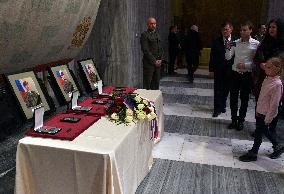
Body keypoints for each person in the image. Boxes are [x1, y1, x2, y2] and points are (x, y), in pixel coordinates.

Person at [239, 57, 284, 162]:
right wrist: (257, 110)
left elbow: (274, 105)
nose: (265, 69)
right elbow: (262, 96)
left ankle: (254, 152)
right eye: (265, 66)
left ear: (277, 69)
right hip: (260, 110)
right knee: (262, 131)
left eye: (268, 67)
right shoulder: (267, 78)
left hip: (266, 113)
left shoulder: (277, 84)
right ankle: (277, 145)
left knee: (260, 131)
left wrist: (268, 118)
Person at [252, 19, 284, 136]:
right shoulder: (265, 42)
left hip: (278, 79)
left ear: (279, 29)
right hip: (263, 77)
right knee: (260, 102)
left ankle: (271, 130)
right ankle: (259, 128)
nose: (271, 29)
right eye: (270, 27)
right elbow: (256, 58)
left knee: (275, 104)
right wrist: (261, 64)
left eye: (274, 27)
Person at [226, 21, 260, 130]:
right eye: (240, 30)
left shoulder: (256, 44)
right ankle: (233, 120)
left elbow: (256, 62)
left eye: (244, 30)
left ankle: (241, 121)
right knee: (233, 98)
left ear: (250, 30)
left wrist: (245, 65)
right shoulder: (235, 42)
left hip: (247, 75)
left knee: (244, 99)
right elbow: (228, 57)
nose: (242, 32)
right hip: (235, 74)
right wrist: (227, 48)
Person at [209, 22, 236, 117]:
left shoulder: (235, 41)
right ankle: (217, 108)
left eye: (227, 29)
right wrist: (211, 69)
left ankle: (223, 104)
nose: (225, 31)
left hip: (230, 69)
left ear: (231, 29)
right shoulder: (216, 41)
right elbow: (212, 56)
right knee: (217, 89)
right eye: (223, 29)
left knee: (226, 88)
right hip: (218, 69)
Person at [140, 17, 163, 90]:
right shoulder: (145, 35)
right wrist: (154, 61)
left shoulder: (157, 34)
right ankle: (147, 101)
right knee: (147, 85)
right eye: (151, 24)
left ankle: (154, 101)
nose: (153, 25)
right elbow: (145, 50)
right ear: (148, 24)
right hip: (149, 64)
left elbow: (160, 48)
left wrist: (160, 59)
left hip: (158, 64)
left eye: (154, 24)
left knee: (156, 84)